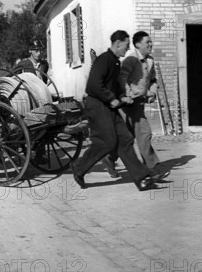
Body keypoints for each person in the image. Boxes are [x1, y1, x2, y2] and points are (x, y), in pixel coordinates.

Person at [71, 30, 168, 192]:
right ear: (118, 43)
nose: (127, 48)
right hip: (97, 105)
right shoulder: (104, 59)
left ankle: (142, 178)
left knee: (125, 139)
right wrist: (112, 98)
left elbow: (115, 85)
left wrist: (123, 96)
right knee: (107, 142)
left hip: (109, 106)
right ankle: (79, 167)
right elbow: (93, 85)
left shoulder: (115, 62)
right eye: (126, 45)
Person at [118, 31, 169, 176]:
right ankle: (110, 159)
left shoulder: (150, 61)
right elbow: (122, 80)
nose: (151, 44)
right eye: (147, 42)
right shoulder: (130, 60)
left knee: (142, 134)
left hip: (138, 104)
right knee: (129, 136)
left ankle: (151, 167)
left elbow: (153, 80)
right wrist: (128, 95)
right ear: (137, 44)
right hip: (126, 106)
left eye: (151, 41)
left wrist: (152, 92)